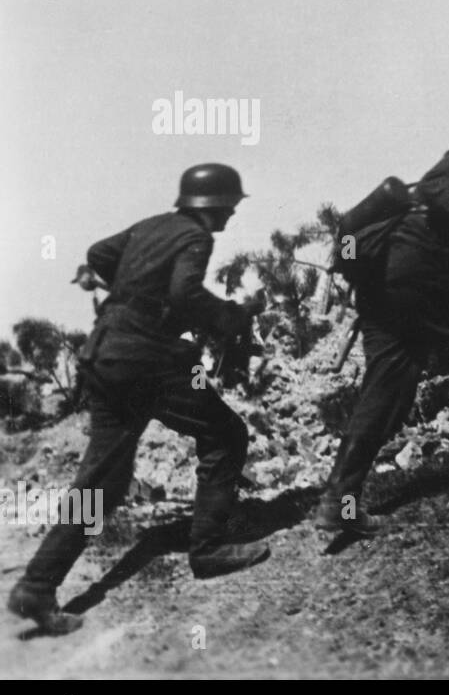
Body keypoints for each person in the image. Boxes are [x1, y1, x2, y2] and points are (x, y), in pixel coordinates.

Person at [7, 163, 268, 635]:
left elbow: (98, 254)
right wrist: (229, 317)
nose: (231, 214)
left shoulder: (151, 226)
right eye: (230, 204)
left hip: (104, 354)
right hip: (149, 363)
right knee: (226, 434)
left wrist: (135, 292)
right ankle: (207, 550)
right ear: (215, 204)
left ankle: (37, 585)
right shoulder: (197, 237)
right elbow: (185, 291)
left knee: (103, 480)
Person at [315, 108, 449, 537]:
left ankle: (337, 501)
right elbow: (438, 183)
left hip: (384, 288)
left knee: (384, 390)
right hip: (419, 284)